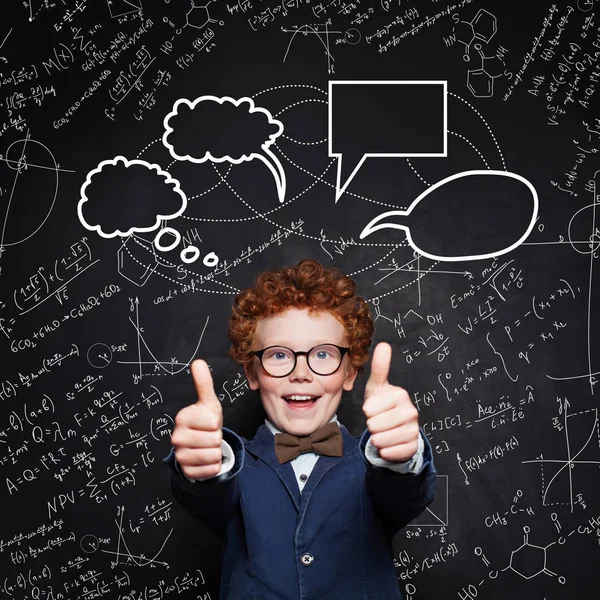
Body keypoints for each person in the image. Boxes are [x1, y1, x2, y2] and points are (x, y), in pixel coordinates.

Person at [165, 259, 436, 600]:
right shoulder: (231, 466)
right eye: (279, 355)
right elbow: (205, 494)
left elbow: (406, 489)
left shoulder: (375, 466)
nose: (301, 373)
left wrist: (401, 457)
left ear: (349, 373)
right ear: (252, 373)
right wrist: (203, 466)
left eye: (323, 354)